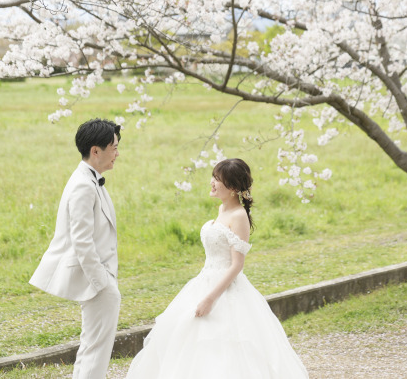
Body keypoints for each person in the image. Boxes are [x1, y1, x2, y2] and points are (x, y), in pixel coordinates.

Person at [125, 158, 309, 379]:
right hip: (204, 279)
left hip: (225, 288)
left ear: (232, 188)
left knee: (226, 346)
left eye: (218, 179)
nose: (212, 182)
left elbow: (237, 265)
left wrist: (210, 299)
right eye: (213, 177)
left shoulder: (239, 215)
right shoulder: (222, 208)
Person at [30, 118, 122, 379]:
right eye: (113, 147)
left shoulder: (89, 179)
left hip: (99, 278)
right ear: (96, 151)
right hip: (96, 281)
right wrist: (102, 283)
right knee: (96, 351)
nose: (117, 153)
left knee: (91, 348)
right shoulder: (83, 184)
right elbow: (82, 241)